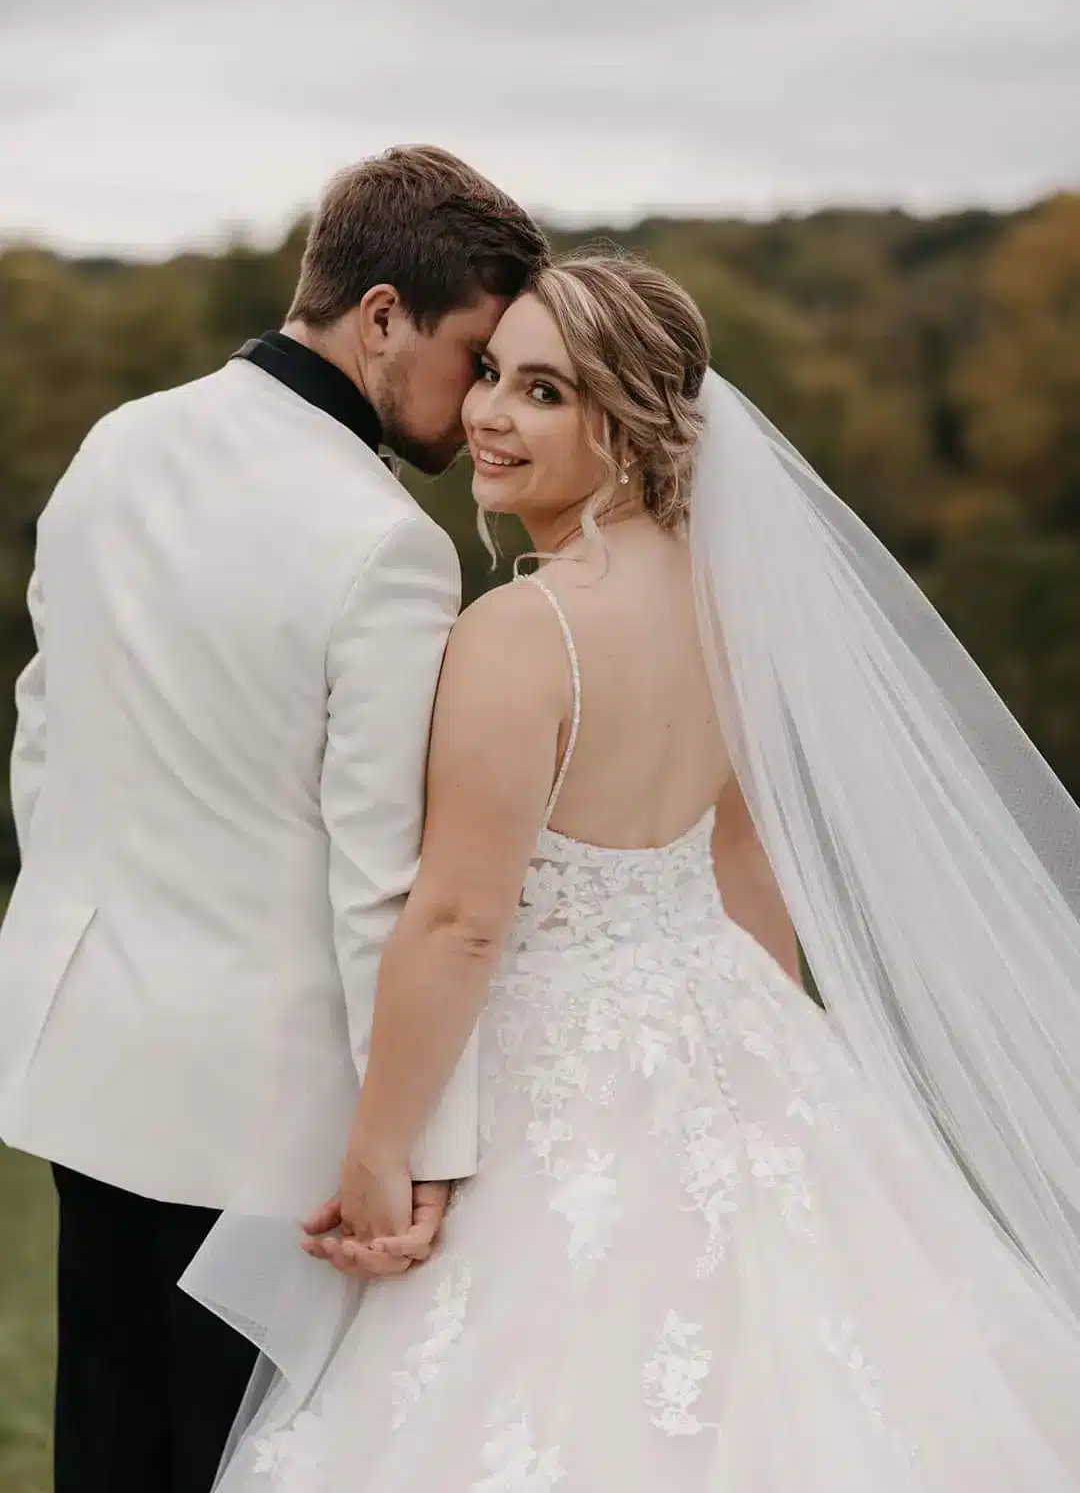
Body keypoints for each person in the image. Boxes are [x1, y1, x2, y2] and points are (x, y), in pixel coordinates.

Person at [187, 252, 1080, 1489]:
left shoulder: (520, 632)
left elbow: (455, 923)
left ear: (634, 422)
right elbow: (748, 864)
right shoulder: (733, 603)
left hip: (554, 1066)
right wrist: (759, 1067)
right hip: (727, 1017)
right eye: (493, 374)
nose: (491, 416)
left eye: (547, 394)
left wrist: (379, 1154)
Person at [0, 145, 548, 1493]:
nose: (477, 398)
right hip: (262, 1111)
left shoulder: (121, 439)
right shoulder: (386, 546)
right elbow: (383, 883)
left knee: (107, 1447)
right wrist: (416, 1152)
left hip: (85, 1055)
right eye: (475, 354)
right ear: (379, 316)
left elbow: (45, 732)